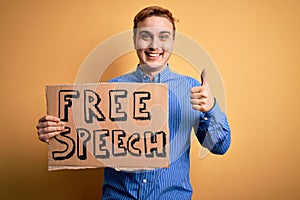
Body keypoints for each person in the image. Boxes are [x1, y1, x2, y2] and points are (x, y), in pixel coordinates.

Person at [36, 6, 231, 200]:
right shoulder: (108, 91)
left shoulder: (193, 89)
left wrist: (211, 109)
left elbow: (219, 147)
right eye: (145, 36)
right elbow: (84, 137)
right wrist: (56, 132)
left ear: (172, 41)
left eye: (163, 36)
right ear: (134, 40)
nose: (154, 45)